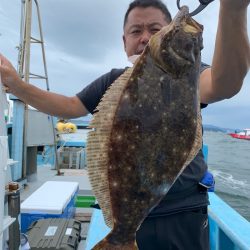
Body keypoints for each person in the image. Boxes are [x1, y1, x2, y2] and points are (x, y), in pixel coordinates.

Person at [0, 0, 249, 249]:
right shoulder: (113, 81)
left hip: (183, 211)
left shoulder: (186, 74)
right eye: (136, 31)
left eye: (155, 29)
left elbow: (223, 83)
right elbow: (68, 106)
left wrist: (233, 8)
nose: (144, 37)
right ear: (124, 41)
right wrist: (17, 85)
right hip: (128, 214)